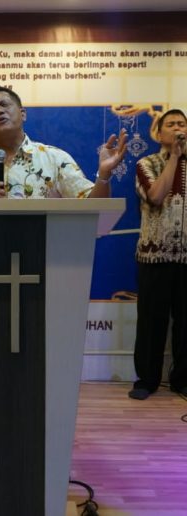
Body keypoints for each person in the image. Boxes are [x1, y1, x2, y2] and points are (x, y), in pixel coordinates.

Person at [0, 86, 128, 199]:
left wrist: (103, 175)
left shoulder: (55, 159)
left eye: (4, 104)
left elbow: (93, 208)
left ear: (23, 114)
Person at [129, 109, 187, 400]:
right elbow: (155, 196)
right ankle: (147, 380)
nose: (178, 129)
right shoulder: (146, 163)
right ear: (159, 133)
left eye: (182, 124)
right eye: (171, 125)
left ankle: (182, 380)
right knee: (151, 322)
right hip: (154, 256)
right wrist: (174, 157)